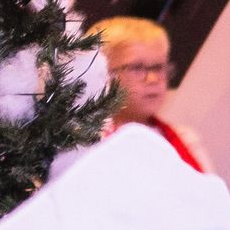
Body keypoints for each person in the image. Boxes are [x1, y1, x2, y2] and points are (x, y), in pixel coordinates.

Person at [91, 16, 215, 174]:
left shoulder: (186, 140)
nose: (153, 78)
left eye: (158, 67)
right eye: (137, 68)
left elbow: (212, 196)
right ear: (103, 74)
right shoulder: (89, 142)